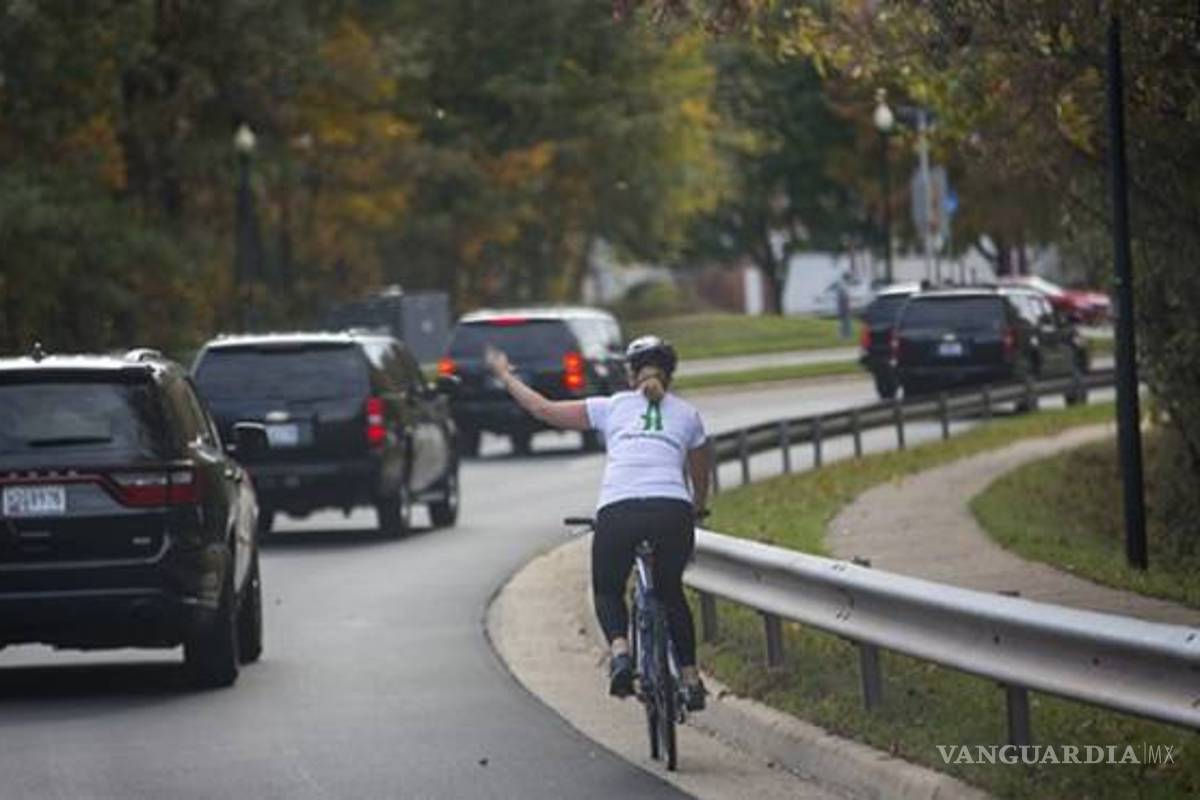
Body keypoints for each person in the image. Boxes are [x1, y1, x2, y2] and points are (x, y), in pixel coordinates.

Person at [484, 335, 712, 711]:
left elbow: (543, 409)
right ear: (670, 374)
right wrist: (697, 508)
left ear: (629, 374)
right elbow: (700, 475)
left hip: (618, 512)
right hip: (671, 512)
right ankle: (689, 677)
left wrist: (507, 377)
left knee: (607, 589)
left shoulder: (612, 407)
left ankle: (621, 654)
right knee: (670, 592)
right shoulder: (688, 415)